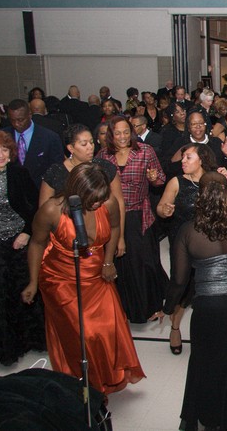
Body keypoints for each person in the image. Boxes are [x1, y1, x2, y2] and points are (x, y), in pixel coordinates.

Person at [156, 171, 227, 431]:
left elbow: (179, 280)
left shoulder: (188, 231)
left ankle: (211, 419)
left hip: (210, 305)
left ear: (200, 195)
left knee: (206, 361)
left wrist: (166, 307)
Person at [23, 163, 145, 395]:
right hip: (60, 278)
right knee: (83, 333)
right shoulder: (51, 210)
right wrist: (33, 281)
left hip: (96, 273)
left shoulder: (107, 203)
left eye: (102, 197)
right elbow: (37, 243)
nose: (99, 203)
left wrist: (108, 262)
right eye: (94, 199)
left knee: (109, 326)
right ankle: (85, 384)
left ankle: (108, 377)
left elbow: (116, 227)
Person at [156, 143, 227, 354]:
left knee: (208, 291)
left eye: (188, 157)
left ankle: (210, 333)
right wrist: (164, 210)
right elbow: (161, 207)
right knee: (182, 287)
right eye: (183, 157)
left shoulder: (214, 180)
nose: (183, 161)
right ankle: (175, 328)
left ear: (201, 160)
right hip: (182, 244)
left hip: (209, 245)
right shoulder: (176, 182)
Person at [97, 116, 168, 323]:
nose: (122, 137)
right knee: (120, 264)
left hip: (139, 214)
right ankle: (122, 308)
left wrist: (154, 178)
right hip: (111, 216)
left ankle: (149, 307)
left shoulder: (145, 151)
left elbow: (160, 180)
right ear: (111, 135)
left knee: (144, 262)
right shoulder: (102, 155)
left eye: (126, 132)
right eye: (117, 133)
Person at [0, 130, 46, 366]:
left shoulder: (19, 173)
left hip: (19, 238)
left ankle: (32, 341)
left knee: (25, 288)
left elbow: (37, 206)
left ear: (11, 153)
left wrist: (27, 232)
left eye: (4, 149)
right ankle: (6, 347)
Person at [39, 123, 126, 256]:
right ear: (71, 148)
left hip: (99, 237)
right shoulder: (56, 172)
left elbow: (119, 202)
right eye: (84, 144)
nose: (90, 147)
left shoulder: (105, 168)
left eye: (91, 142)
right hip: (63, 240)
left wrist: (120, 237)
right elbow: (43, 210)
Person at [4, 99, 64, 188]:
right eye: (12, 120)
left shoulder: (50, 138)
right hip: (11, 192)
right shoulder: (3, 136)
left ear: (30, 115)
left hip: (40, 192)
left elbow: (57, 171)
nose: (16, 124)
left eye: (20, 120)